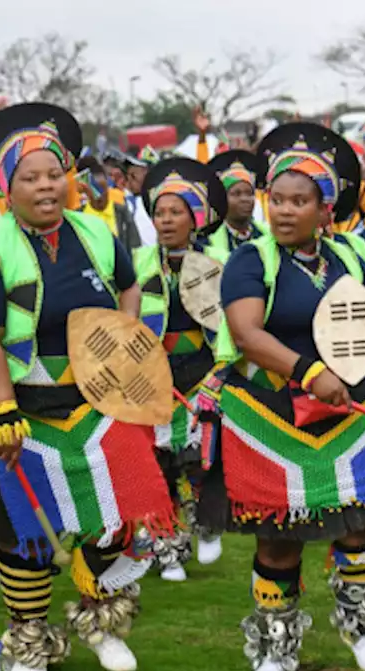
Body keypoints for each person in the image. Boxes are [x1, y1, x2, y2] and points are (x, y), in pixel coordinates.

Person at [0, 102, 177, 671]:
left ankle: (103, 621)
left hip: (99, 399)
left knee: (121, 510)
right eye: (31, 177)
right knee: (27, 527)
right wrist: (1, 409)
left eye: (55, 173)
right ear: (7, 188)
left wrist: (121, 344)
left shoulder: (95, 233)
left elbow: (128, 287)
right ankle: (27, 640)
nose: (47, 186)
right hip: (22, 404)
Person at [208, 122, 365, 671]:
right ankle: (275, 646)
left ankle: (363, 630)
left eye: (301, 201)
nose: (285, 211)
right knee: (280, 537)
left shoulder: (347, 252)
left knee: (359, 527)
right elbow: (247, 334)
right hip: (270, 412)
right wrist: (307, 371)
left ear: (326, 208)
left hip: (348, 410)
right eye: (278, 200)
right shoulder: (251, 261)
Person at [132, 158, 230, 580]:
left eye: (176, 212)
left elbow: (232, 323)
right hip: (152, 375)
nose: (166, 220)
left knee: (198, 458)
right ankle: (167, 547)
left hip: (202, 372)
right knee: (156, 463)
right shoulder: (136, 262)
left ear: (196, 218)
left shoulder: (219, 262)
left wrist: (222, 369)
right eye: (159, 212)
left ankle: (206, 522)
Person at [206, 150, 268, 254]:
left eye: (249, 193)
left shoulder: (267, 234)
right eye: (236, 194)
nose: (244, 199)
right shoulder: (209, 240)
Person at [78, 155, 141, 253]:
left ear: (107, 184)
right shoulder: (79, 217)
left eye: (101, 189)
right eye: (94, 191)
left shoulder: (122, 212)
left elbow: (136, 248)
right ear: (87, 191)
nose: (99, 196)